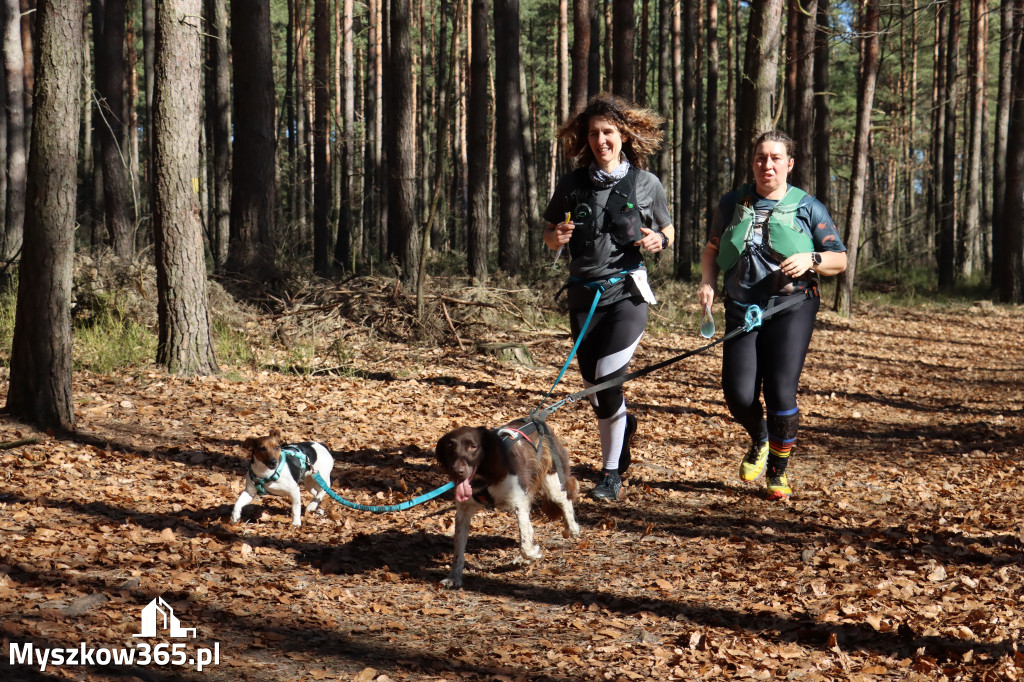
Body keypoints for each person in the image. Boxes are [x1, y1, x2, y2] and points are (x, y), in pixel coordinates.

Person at [697, 129, 847, 501]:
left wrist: (811, 258)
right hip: (742, 309)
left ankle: (778, 472)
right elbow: (712, 250)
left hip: (792, 306)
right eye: (761, 157)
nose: (768, 164)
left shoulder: (808, 206)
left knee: (781, 391)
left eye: (776, 158)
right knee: (737, 395)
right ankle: (760, 438)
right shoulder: (733, 202)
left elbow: (839, 259)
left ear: (789, 164)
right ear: (753, 162)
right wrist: (707, 283)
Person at [542, 93, 674, 502]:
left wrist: (657, 239)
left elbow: (668, 232)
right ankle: (623, 427)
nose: (602, 140)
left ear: (624, 136)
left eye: (609, 132)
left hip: (626, 294)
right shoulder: (572, 184)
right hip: (583, 297)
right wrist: (556, 237)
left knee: (606, 380)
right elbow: (549, 235)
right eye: (595, 133)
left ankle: (610, 473)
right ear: (586, 139)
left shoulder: (646, 183)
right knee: (593, 387)